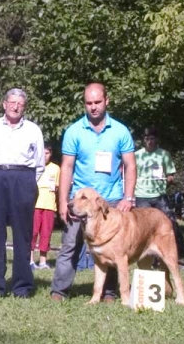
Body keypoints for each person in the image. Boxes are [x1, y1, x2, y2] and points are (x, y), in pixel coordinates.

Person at [50, 82, 136, 302]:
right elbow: (66, 167)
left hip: (112, 199)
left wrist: (128, 197)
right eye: (89, 103)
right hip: (80, 199)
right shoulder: (74, 131)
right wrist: (63, 201)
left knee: (115, 247)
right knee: (70, 244)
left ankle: (109, 292)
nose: (93, 107)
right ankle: (59, 291)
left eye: (97, 102)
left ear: (107, 101)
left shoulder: (120, 131)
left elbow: (130, 165)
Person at [0, 88, 45, 298]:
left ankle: (22, 286)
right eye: (12, 102)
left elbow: (39, 164)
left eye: (20, 103)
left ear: (24, 107)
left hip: (23, 178)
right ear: (4, 104)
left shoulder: (33, 129)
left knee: (23, 234)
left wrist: (26, 182)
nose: (16, 106)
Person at [135, 127, 184, 257]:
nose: (150, 141)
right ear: (143, 140)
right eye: (147, 139)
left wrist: (170, 178)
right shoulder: (136, 155)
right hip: (142, 196)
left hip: (160, 196)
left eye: (152, 139)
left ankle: (180, 251)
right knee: (145, 228)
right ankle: (147, 255)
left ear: (156, 139)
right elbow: (131, 173)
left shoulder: (164, 154)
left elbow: (170, 173)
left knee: (170, 222)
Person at [30, 142, 60, 270]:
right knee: (32, 232)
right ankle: (30, 261)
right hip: (35, 205)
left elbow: (57, 188)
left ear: (51, 154)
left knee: (46, 234)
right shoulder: (34, 167)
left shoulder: (56, 168)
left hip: (49, 205)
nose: (45, 156)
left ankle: (43, 261)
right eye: (43, 153)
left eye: (47, 153)